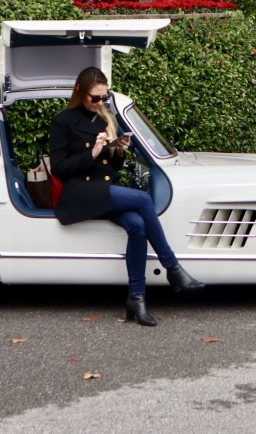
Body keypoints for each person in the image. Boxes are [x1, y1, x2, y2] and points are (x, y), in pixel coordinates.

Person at [48, 67, 204, 326]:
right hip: (80, 194)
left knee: (138, 225)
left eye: (103, 98)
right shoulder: (62, 121)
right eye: (94, 98)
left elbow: (111, 170)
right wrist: (94, 152)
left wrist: (118, 152)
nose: (99, 103)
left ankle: (137, 299)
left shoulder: (104, 119)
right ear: (79, 91)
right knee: (142, 200)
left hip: (103, 191)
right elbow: (60, 169)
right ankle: (173, 268)